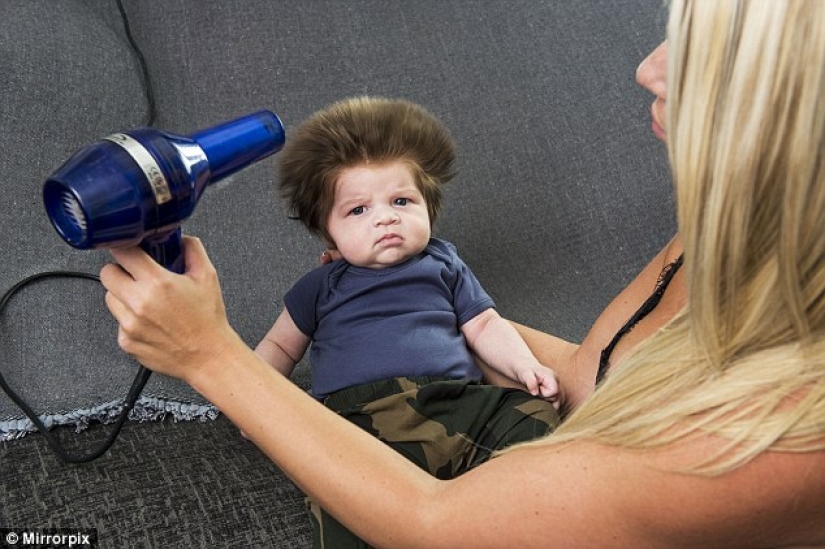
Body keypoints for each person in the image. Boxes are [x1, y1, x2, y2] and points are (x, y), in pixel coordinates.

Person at [100, 0, 825, 546]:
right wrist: (406, 312)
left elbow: (438, 524)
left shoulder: (784, 433)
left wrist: (209, 356)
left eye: (711, 54)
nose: (649, 68)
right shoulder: (733, 230)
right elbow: (590, 380)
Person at [257, 96, 560, 546]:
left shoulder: (444, 263)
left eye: (401, 200)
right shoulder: (321, 286)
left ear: (428, 208)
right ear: (329, 232)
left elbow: (484, 324)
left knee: (535, 417)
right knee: (341, 500)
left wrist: (525, 366)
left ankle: (493, 517)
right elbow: (280, 346)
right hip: (356, 423)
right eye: (358, 210)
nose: (386, 217)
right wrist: (256, 403)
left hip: (456, 401)